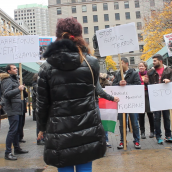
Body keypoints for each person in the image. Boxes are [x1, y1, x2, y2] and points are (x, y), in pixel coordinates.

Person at [36, 17, 106, 171]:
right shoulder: (91, 63)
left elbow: (42, 103)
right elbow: (94, 90)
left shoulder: (46, 67)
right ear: (79, 36)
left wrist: (41, 127)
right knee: (85, 166)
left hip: (59, 130)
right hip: (87, 127)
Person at [0, 65, 29, 161]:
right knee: (13, 130)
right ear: (9, 71)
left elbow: (21, 94)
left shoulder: (16, 79)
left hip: (19, 108)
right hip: (12, 109)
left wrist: (23, 90)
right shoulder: (7, 80)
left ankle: (17, 148)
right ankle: (8, 152)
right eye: (14, 68)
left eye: (16, 68)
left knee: (17, 130)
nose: (16, 69)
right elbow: (6, 94)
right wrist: (18, 89)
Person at [113, 57, 141, 149]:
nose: (119, 65)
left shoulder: (134, 73)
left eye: (121, 63)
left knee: (134, 123)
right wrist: (118, 84)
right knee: (122, 124)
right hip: (122, 103)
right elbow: (113, 85)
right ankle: (122, 140)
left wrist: (126, 85)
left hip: (132, 102)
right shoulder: (117, 74)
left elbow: (138, 86)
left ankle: (137, 141)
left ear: (126, 64)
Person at [147, 54, 172, 144]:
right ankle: (158, 136)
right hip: (156, 98)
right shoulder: (150, 72)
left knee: (167, 117)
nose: (153, 63)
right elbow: (149, 85)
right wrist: (146, 82)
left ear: (160, 61)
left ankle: (168, 135)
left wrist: (169, 81)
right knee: (156, 118)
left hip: (166, 98)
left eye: (155, 61)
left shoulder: (169, 70)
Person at [95, 79, 119, 148]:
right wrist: (112, 98)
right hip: (92, 103)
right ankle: (102, 143)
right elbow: (100, 91)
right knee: (100, 124)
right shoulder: (92, 74)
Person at [138, 61, 154, 139]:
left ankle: (152, 131)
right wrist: (142, 83)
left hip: (148, 95)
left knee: (150, 114)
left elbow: (152, 84)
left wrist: (146, 83)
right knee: (141, 115)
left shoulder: (149, 74)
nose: (141, 67)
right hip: (140, 95)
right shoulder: (136, 75)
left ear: (145, 67)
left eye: (142, 66)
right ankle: (142, 132)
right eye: (140, 66)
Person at [32, 73, 45, 145]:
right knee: (39, 123)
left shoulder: (36, 85)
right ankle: (40, 139)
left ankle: (42, 138)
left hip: (38, 106)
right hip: (38, 106)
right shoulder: (36, 85)